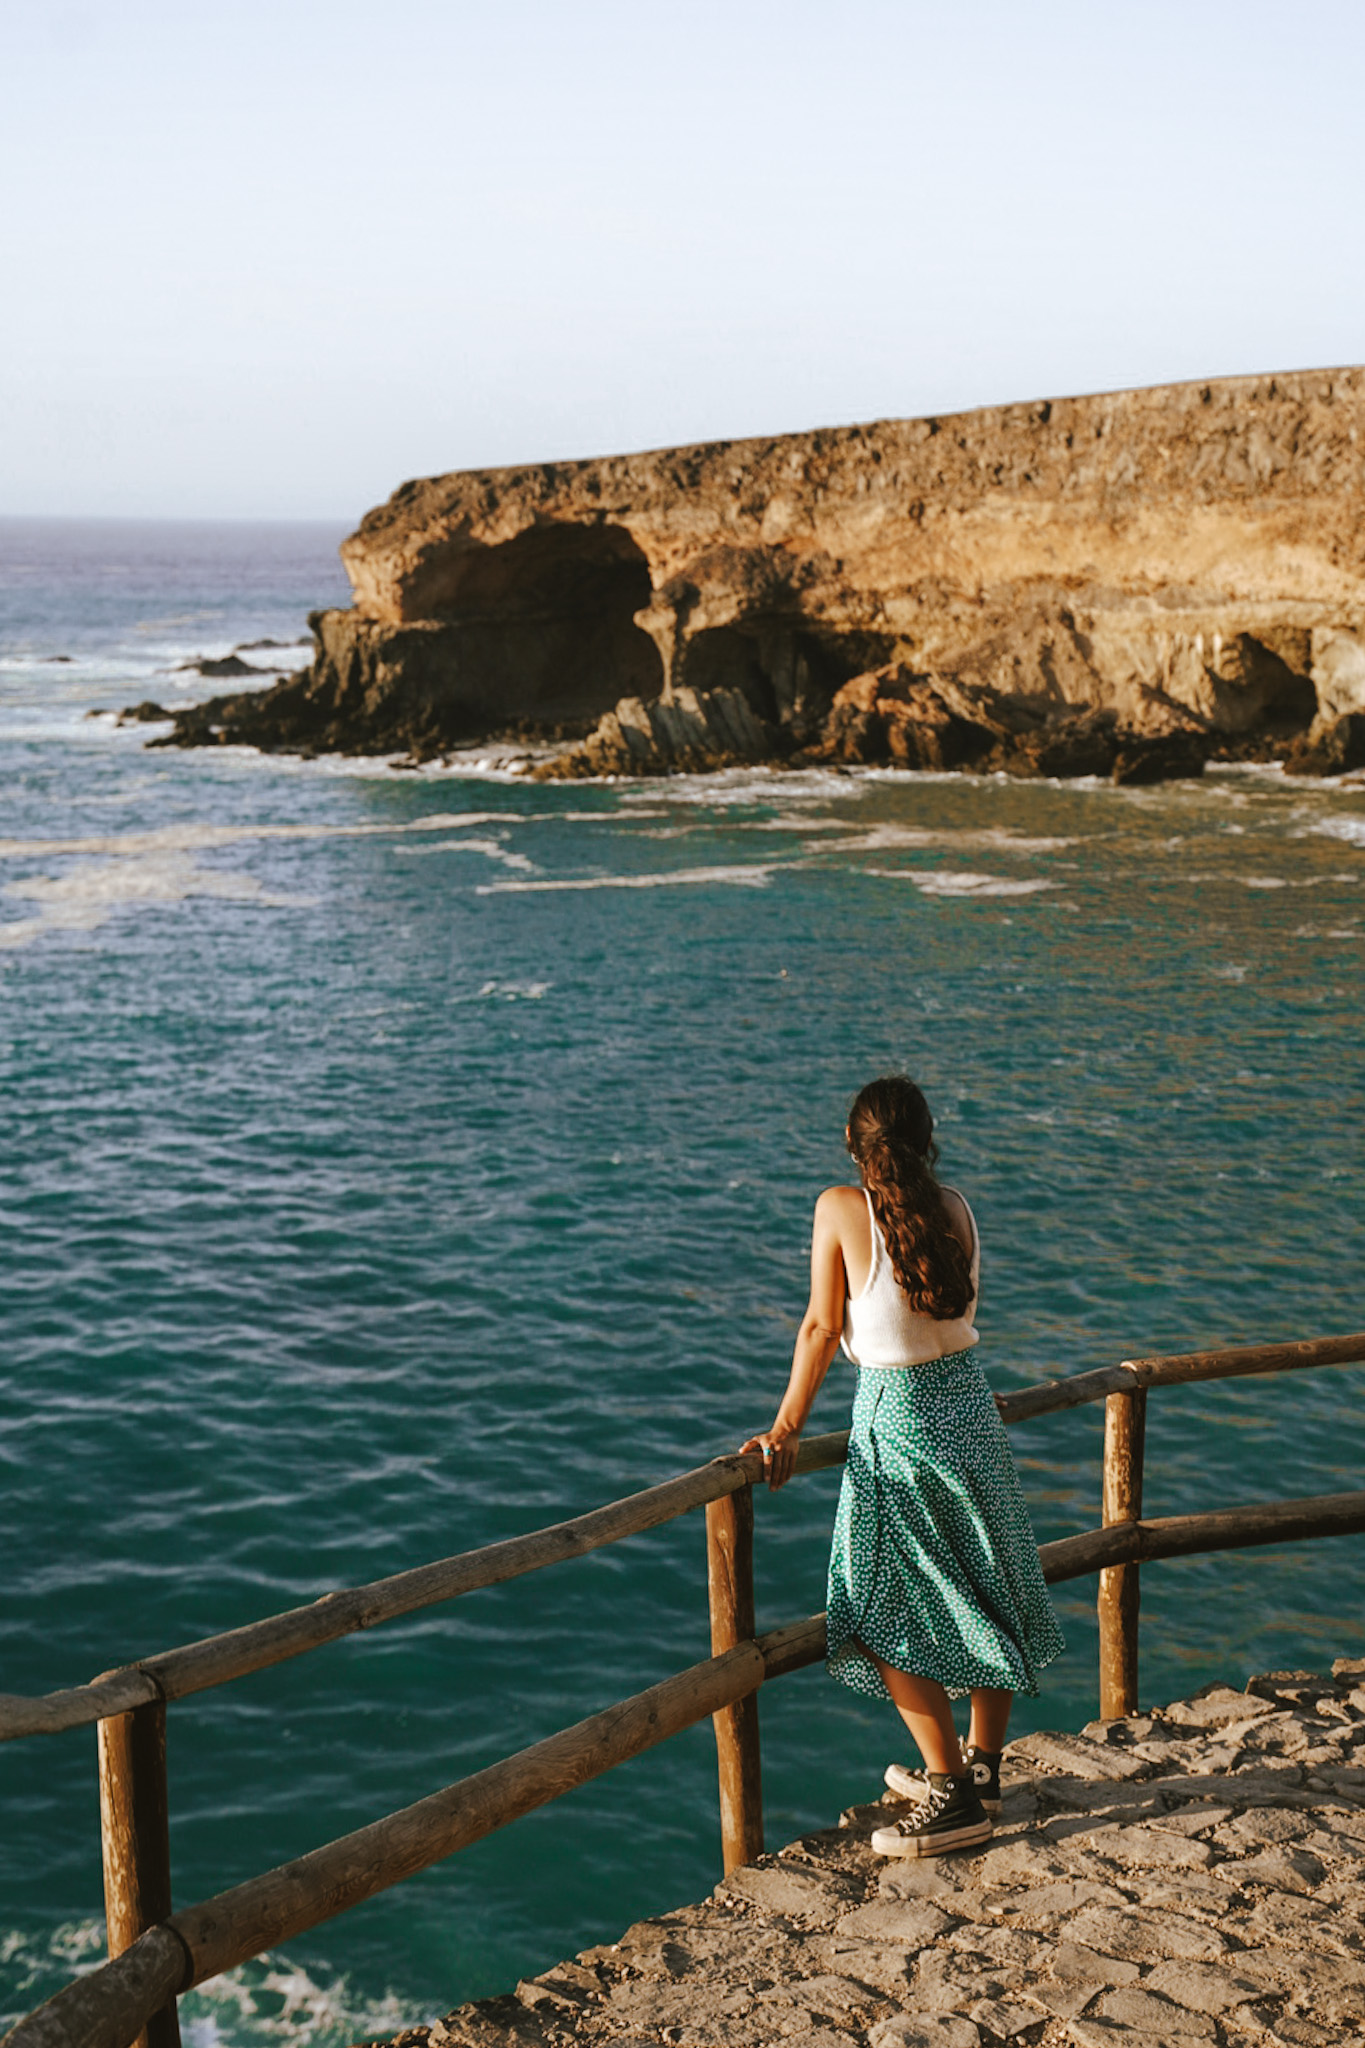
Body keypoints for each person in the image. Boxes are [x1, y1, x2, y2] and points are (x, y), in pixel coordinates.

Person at [740, 1075, 1064, 1858]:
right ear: (928, 1140)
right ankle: (981, 1768)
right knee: (989, 1581)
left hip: (900, 1421)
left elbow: (822, 1326)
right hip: (972, 1413)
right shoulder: (954, 1206)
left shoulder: (839, 1209)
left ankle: (950, 1794)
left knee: (877, 1610)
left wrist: (783, 1429)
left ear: (853, 1147)